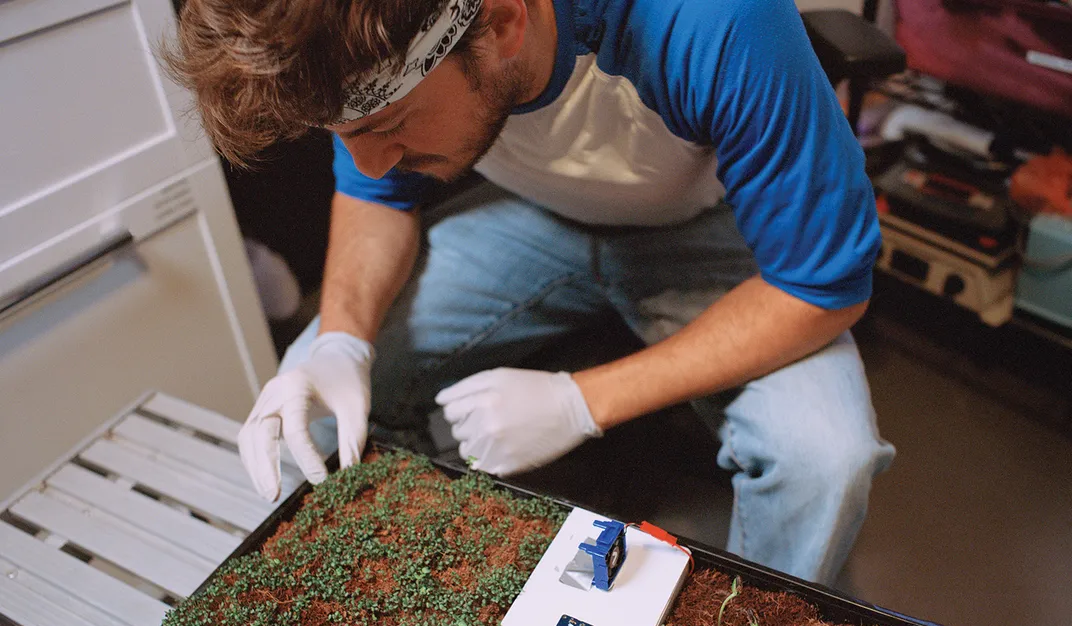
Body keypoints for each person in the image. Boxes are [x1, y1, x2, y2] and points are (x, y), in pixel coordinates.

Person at [168, 0, 895, 584]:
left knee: (824, 459)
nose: (371, 160)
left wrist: (583, 401)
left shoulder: (713, 20)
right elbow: (375, 196)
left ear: (504, 23)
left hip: (705, 229)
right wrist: (341, 340)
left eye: (387, 127)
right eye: (343, 133)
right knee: (314, 409)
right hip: (533, 219)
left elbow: (822, 286)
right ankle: (421, 598)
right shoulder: (385, 44)